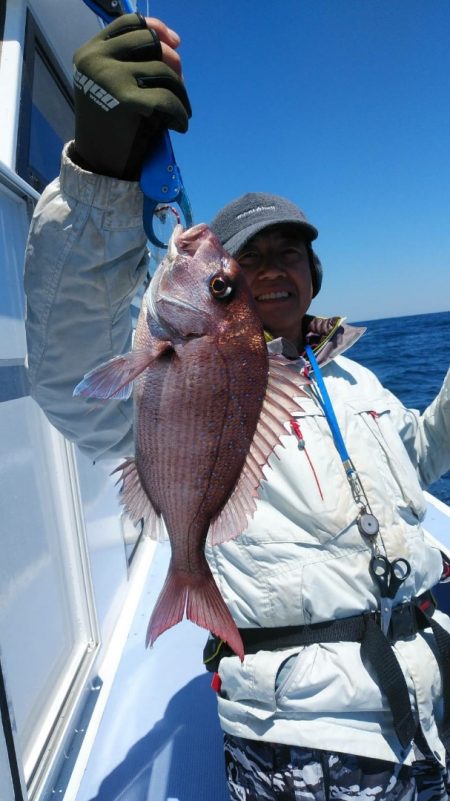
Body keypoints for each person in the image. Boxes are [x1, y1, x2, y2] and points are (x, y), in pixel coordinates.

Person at [23, 13, 450, 801]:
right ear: (235, 300)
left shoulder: (356, 382)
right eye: (245, 263)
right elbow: (68, 372)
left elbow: (417, 461)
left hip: (430, 701)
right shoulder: (200, 364)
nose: (271, 268)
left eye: (289, 251)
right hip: (307, 732)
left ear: (314, 274)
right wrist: (98, 178)